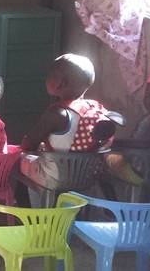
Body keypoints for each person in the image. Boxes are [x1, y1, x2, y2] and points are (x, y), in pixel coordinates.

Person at [14, 54, 123, 206]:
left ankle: (25, 212)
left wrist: (29, 148)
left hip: (56, 176)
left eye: (50, 75)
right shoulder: (96, 108)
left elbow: (29, 143)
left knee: (15, 162)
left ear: (60, 83)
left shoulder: (57, 113)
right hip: (87, 176)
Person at [102, 69, 150, 199]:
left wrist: (112, 142)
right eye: (148, 96)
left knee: (100, 162)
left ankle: (111, 205)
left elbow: (143, 143)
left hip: (141, 171)